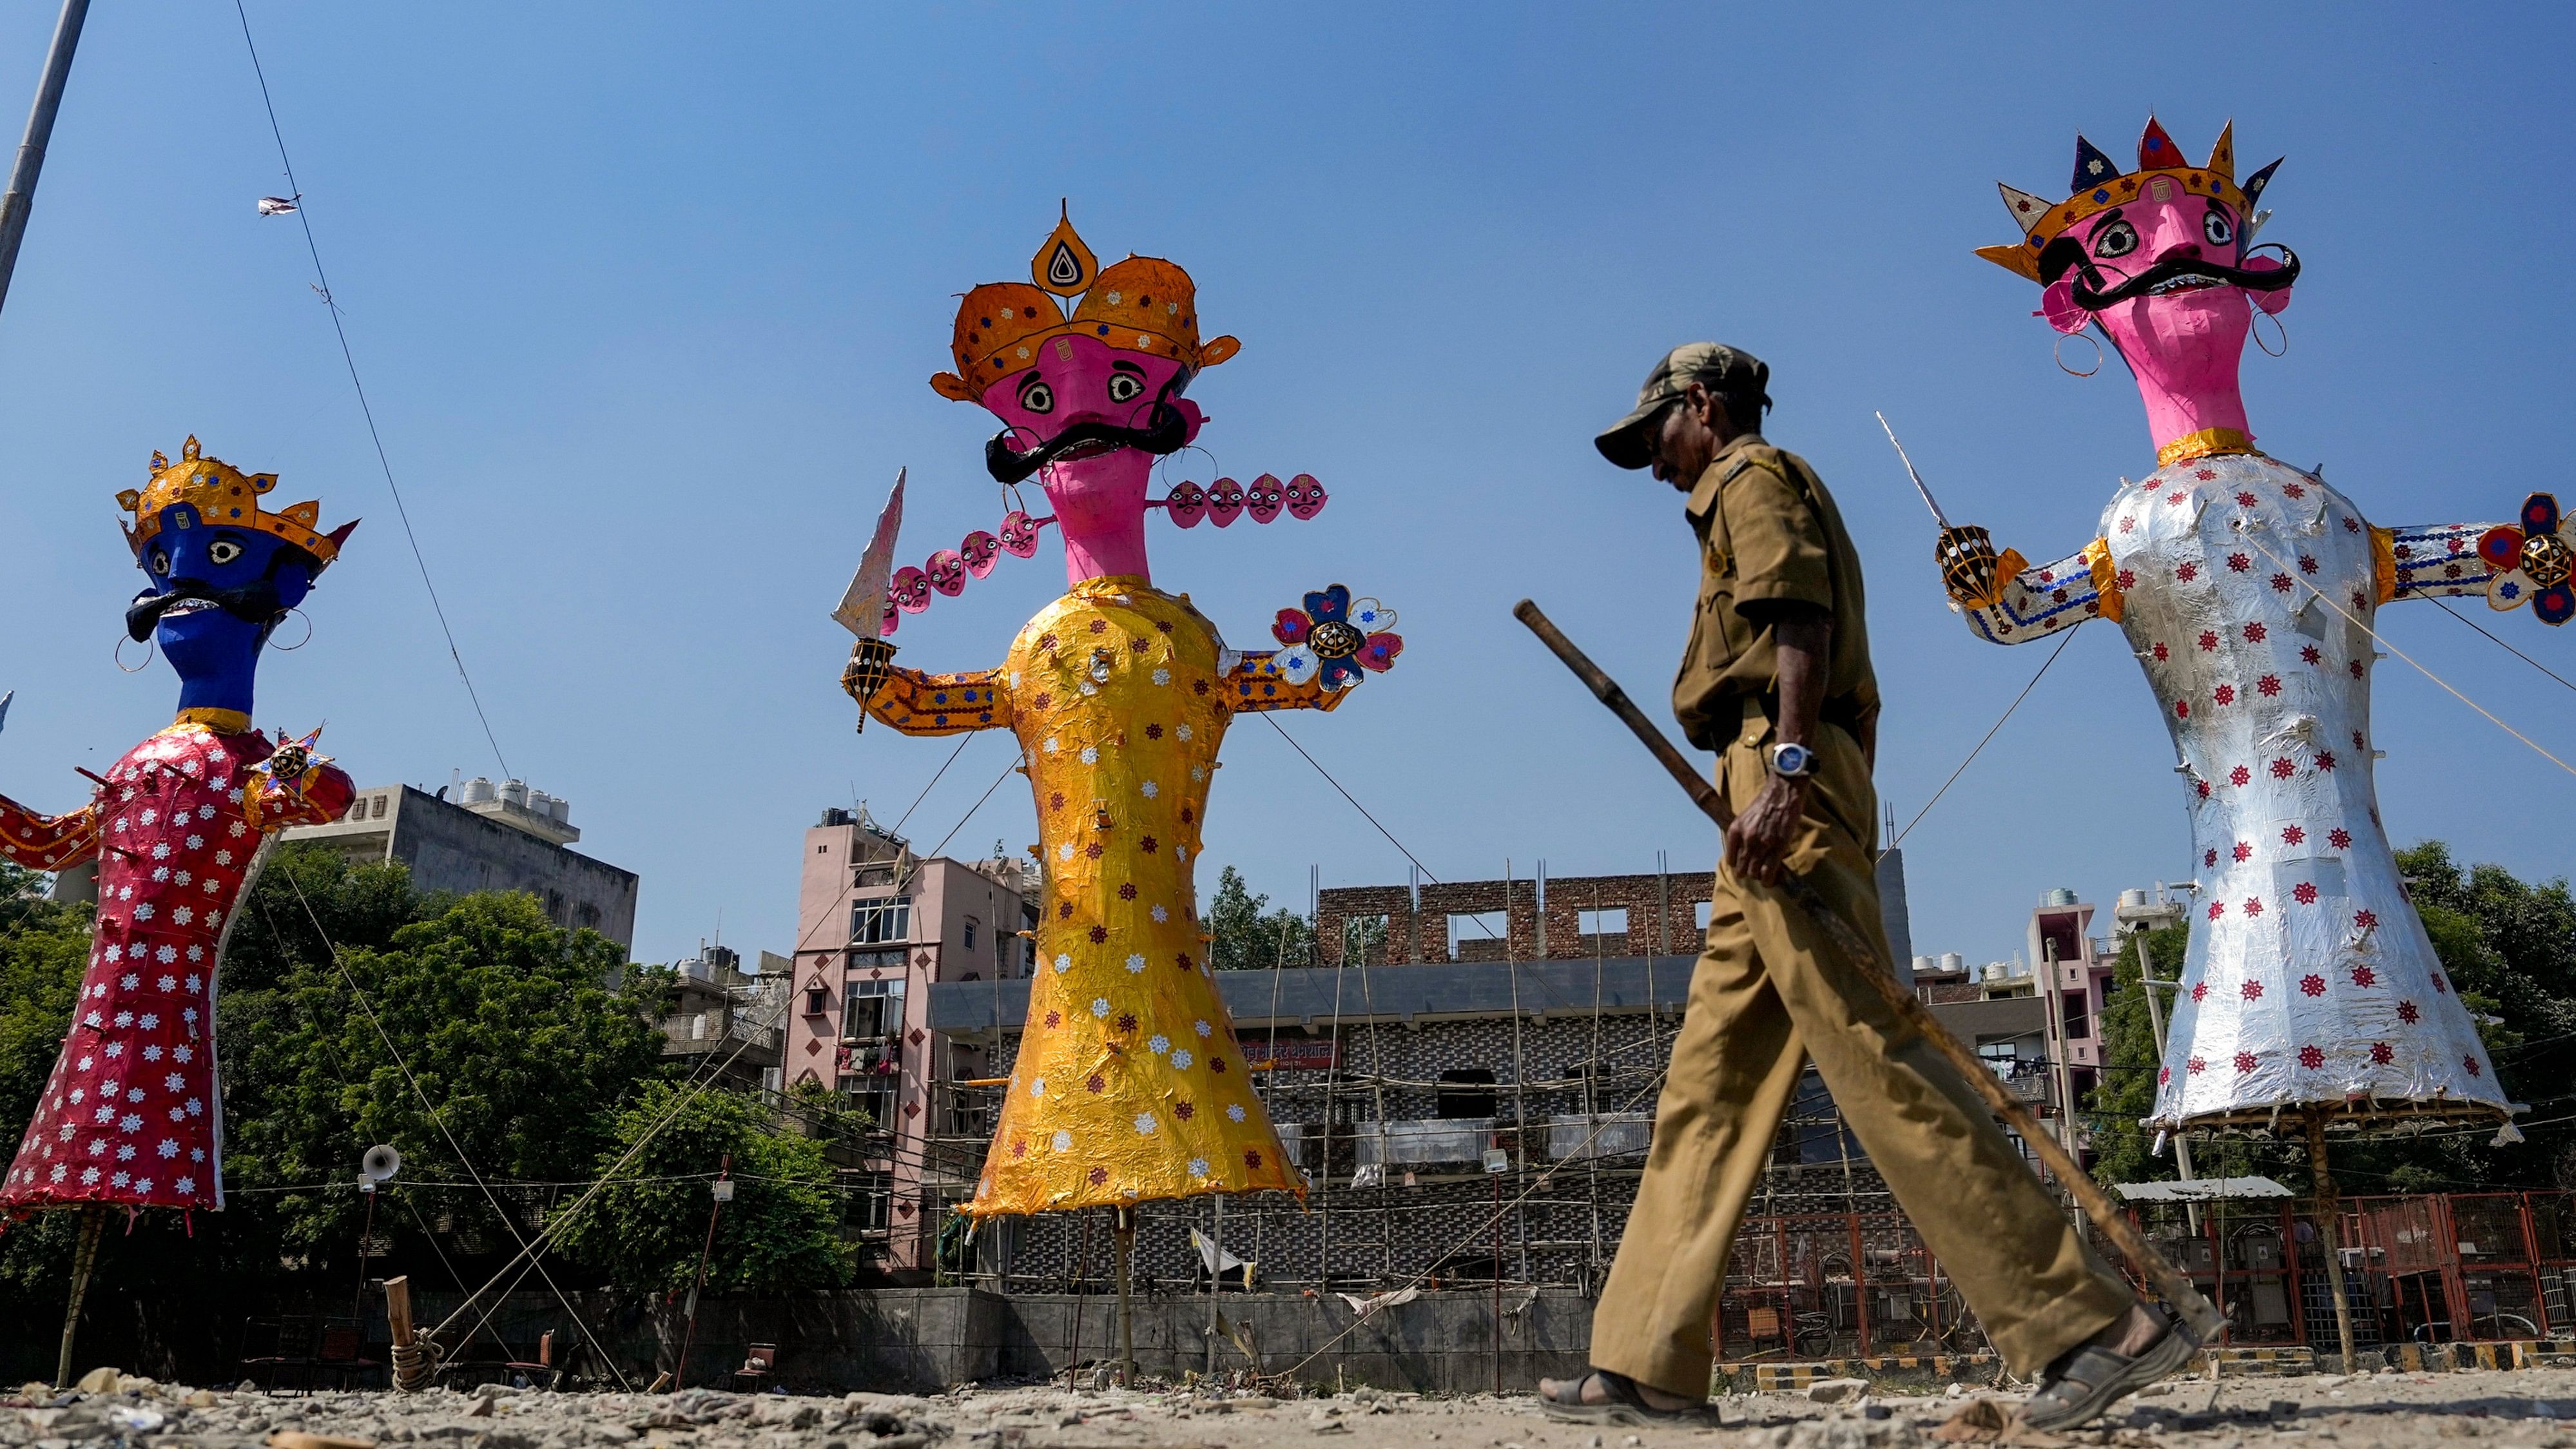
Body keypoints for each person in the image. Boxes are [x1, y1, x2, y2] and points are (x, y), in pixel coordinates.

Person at [1535, 345, 2187, 1432]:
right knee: (1711, 1083)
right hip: (1763, 786)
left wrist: (1791, 773)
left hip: (1777, 782)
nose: (1653, 462)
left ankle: (2089, 1325)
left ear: (1701, 407)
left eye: (1657, 435)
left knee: (1873, 1054)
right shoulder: (1736, 489)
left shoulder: (1748, 477)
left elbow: (1801, 623)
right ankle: (1645, 1360)